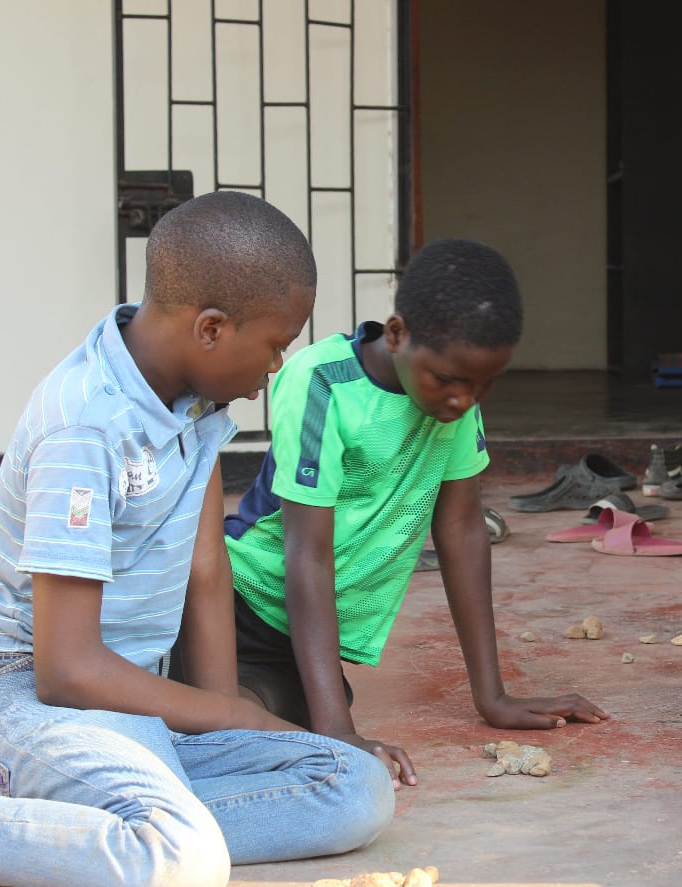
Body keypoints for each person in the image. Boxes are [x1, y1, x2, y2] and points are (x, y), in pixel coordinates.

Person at [0, 191, 394, 887]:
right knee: (181, 856)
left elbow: (204, 568)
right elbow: (67, 668)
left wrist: (230, 723)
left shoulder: (197, 403)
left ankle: (63, 836)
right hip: (23, 695)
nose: (276, 370)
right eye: (276, 345)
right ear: (213, 329)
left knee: (354, 785)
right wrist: (228, 709)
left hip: (128, 702)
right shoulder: (86, 424)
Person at [184, 237, 608, 789]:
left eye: (484, 385)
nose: (464, 400)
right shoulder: (321, 381)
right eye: (449, 380)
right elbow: (306, 555)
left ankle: (201, 706)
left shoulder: (456, 403)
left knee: (295, 713)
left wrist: (492, 696)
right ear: (398, 333)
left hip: (298, 634)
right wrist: (339, 730)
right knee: (285, 722)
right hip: (239, 600)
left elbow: (460, 531)